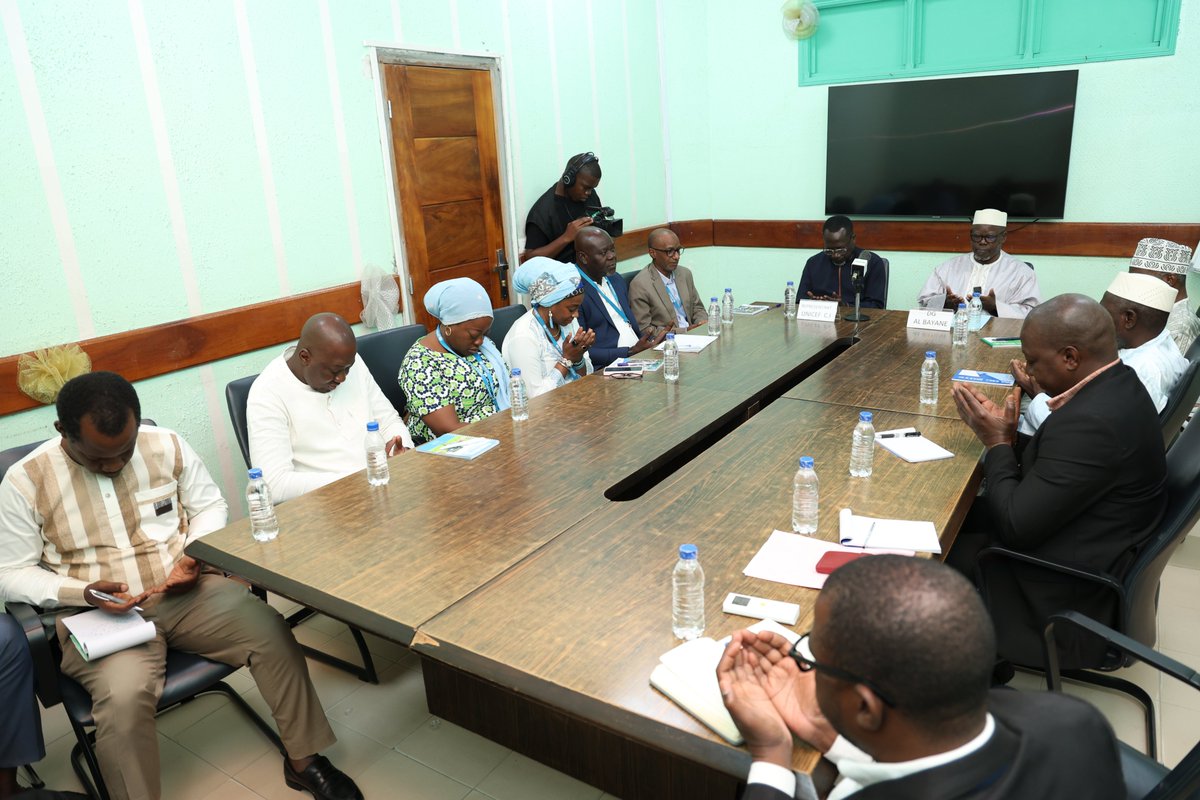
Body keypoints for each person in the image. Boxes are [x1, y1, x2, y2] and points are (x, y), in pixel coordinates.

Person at [0, 372, 361, 800]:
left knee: (271, 630)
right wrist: (82, 593)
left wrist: (193, 554)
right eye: (99, 459)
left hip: (184, 593)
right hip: (99, 618)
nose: (114, 465)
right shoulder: (26, 482)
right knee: (124, 698)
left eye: (125, 451)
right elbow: (9, 573)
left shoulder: (165, 444)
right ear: (63, 432)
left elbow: (210, 506)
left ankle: (305, 761)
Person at [718, 555, 1123, 800]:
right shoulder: (1074, 719)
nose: (805, 664)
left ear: (865, 706)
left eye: (814, 660)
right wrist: (833, 737)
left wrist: (770, 756)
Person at [948, 295, 1168, 669]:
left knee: (927, 554)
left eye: (1034, 361)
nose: (1029, 372)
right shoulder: (1118, 383)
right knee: (956, 513)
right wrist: (1011, 437)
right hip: (1087, 542)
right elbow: (1065, 465)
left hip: (1060, 596)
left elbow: (1016, 526)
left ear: (1070, 357)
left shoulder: (1093, 423)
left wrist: (999, 443)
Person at [247, 312, 413, 503]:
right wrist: (358, 479)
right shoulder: (267, 392)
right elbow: (274, 484)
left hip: (382, 488)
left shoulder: (349, 362)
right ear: (304, 357)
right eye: (334, 371)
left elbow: (388, 420)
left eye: (347, 370)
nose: (342, 378)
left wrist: (402, 454)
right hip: (325, 506)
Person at [1017, 274, 1186, 433]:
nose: (1097, 321)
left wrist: (1037, 393)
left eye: (1104, 313)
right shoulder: (1163, 340)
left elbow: (1079, 434)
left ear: (1129, 319)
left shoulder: (1141, 371)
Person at [399, 278, 510, 443]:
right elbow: (448, 430)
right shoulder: (421, 364)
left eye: (485, 333)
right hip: (456, 449)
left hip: (499, 433)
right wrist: (505, 431)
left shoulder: (481, 347)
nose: (480, 341)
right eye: (474, 334)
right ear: (449, 326)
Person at [917, 209, 1040, 318]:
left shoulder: (1021, 273)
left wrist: (995, 307)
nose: (982, 242)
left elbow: (1031, 313)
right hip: (953, 333)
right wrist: (944, 303)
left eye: (990, 237)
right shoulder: (948, 268)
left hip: (996, 336)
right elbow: (924, 303)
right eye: (976, 236)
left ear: (1003, 237)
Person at [501, 257, 596, 397]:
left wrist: (578, 357)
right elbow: (535, 399)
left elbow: (586, 378)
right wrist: (566, 360)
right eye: (571, 309)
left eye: (578, 308)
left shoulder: (567, 322)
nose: (576, 315)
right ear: (550, 302)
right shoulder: (523, 336)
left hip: (575, 403)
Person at [574, 227, 666, 369]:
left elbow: (629, 324)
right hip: (607, 366)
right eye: (604, 253)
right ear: (583, 258)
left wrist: (653, 339)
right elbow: (580, 351)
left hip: (639, 355)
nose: (612, 256)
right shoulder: (574, 292)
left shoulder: (615, 279)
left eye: (612, 250)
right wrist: (628, 352)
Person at [523, 152, 605, 264]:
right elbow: (531, 257)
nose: (589, 193)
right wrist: (566, 237)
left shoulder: (590, 196)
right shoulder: (542, 211)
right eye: (586, 187)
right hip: (560, 276)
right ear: (568, 179)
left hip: (591, 271)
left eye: (592, 188)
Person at [1128, 237, 1200, 354]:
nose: (1134, 285)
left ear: (1169, 279)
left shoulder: (1180, 328)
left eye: (1141, 279)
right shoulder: (1156, 310)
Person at [628, 228, 708, 332]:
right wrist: (685, 331)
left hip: (695, 335)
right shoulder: (640, 285)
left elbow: (698, 308)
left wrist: (701, 323)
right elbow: (644, 330)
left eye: (678, 250)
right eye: (670, 251)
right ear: (652, 253)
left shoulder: (685, 274)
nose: (676, 256)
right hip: (668, 342)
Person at [796, 216, 887, 308]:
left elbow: (876, 306)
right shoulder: (813, 263)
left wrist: (845, 306)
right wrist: (813, 303)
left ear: (853, 239)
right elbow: (799, 301)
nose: (835, 255)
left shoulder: (873, 263)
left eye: (841, 250)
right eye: (829, 250)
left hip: (859, 321)